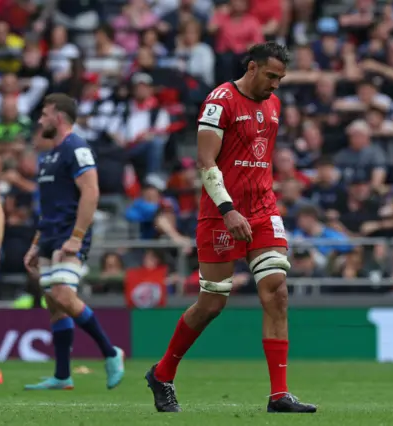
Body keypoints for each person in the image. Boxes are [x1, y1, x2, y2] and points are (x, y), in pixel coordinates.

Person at [145, 42, 317, 414]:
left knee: (277, 291)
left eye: (281, 78)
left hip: (263, 209)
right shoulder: (219, 101)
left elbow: (259, 158)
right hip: (221, 213)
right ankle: (162, 373)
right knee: (212, 303)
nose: (276, 84)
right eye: (271, 76)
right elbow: (205, 161)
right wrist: (228, 210)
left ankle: (279, 395)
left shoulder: (274, 105)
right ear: (252, 68)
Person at [22, 94, 125, 390]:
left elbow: (91, 192)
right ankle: (63, 375)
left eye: (44, 114)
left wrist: (77, 237)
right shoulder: (48, 156)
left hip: (69, 235)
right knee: (53, 303)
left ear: (58, 116)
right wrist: (35, 243)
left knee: (64, 295)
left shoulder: (76, 147)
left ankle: (110, 352)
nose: (40, 120)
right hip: (49, 235)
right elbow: (50, 206)